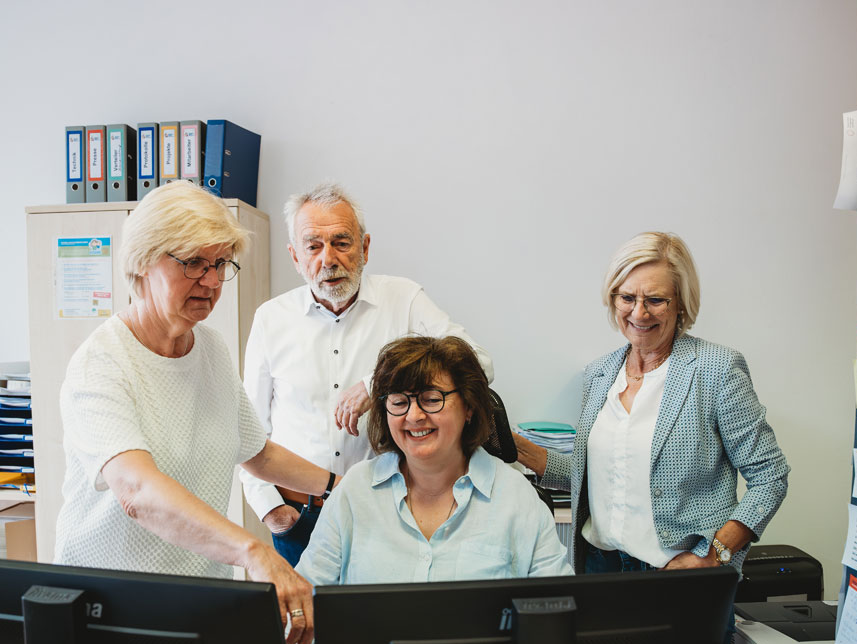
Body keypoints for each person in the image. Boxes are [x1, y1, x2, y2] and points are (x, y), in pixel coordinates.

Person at [54, 181, 336, 644]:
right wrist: (253, 552)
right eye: (193, 263)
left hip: (198, 603)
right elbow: (137, 491)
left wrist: (338, 487)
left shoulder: (208, 348)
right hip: (112, 609)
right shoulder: (101, 364)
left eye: (220, 263)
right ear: (142, 262)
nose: (211, 281)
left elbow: (257, 452)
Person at [242, 182, 494, 567]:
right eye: (313, 246)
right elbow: (247, 431)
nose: (328, 259)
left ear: (365, 247)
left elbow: (479, 365)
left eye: (341, 242)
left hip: (390, 511)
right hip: (300, 518)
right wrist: (272, 513)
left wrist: (376, 383)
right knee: (306, 609)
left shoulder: (404, 299)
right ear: (295, 256)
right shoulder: (270, 319)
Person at [514, 232, 789, 576]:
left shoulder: (716, 369)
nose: (639, 313)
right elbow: (596, 477)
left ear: (681, 303)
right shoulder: (599, 374)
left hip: (679, 571)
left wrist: (714, 554)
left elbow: (770, 475)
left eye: (656, 300)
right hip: (601, 565)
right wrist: (513, 446)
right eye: (627, 297)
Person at [297, 336, 572, 586]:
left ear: (469, 407)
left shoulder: (515, 497)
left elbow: (557, 603)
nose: (414, 416)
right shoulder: (355, 490)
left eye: (431, 399)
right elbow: (307, 595)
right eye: (399, 402)